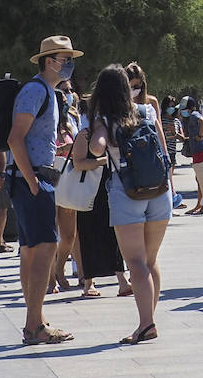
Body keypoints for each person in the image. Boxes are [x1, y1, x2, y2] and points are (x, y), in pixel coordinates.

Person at [75, 64, 170, 345]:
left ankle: (146, 323)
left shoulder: (104, 118)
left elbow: (96, 149)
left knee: (136, 263)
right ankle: (148, 320)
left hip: (126, 192)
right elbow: (163, 151)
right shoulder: (147, 111)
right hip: (159, 190)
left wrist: (90, 132)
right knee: (151, 261)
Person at [6, 35, 78, 346]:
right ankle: (34, 325)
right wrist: (33, 182)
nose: (69, 65)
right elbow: (15, 138)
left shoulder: (44, 90)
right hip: (32, 178)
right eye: (66, 59)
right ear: (50, 61)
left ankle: (35, 318)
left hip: (31, 177)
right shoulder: (36, 90)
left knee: (32, 251)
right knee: (44, 249)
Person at [72, 91, 132, 299]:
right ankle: (88, 283)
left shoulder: (110, 133)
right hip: (89, 193)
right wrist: (100, 162)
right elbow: (78, 163)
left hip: (109, 189)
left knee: (114, 235)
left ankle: (122, 280)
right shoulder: (85, 135)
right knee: (88, 235)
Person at [48, 94, 79, 294]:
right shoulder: (44, 126)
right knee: (51, 234)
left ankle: (60, 270)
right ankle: (51, 278)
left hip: (68, 182)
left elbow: (80, 149)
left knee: (68, 235)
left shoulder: (70, 126)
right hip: (49, 181)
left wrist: (71, 149)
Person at [182, 96, 203, 216]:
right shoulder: (191, 116)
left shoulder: (194, 115)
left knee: (201, 178)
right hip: (197, 151)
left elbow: (202, 121)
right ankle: (200, 205)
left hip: (200, 151)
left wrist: (200, 135)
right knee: (199, 179)